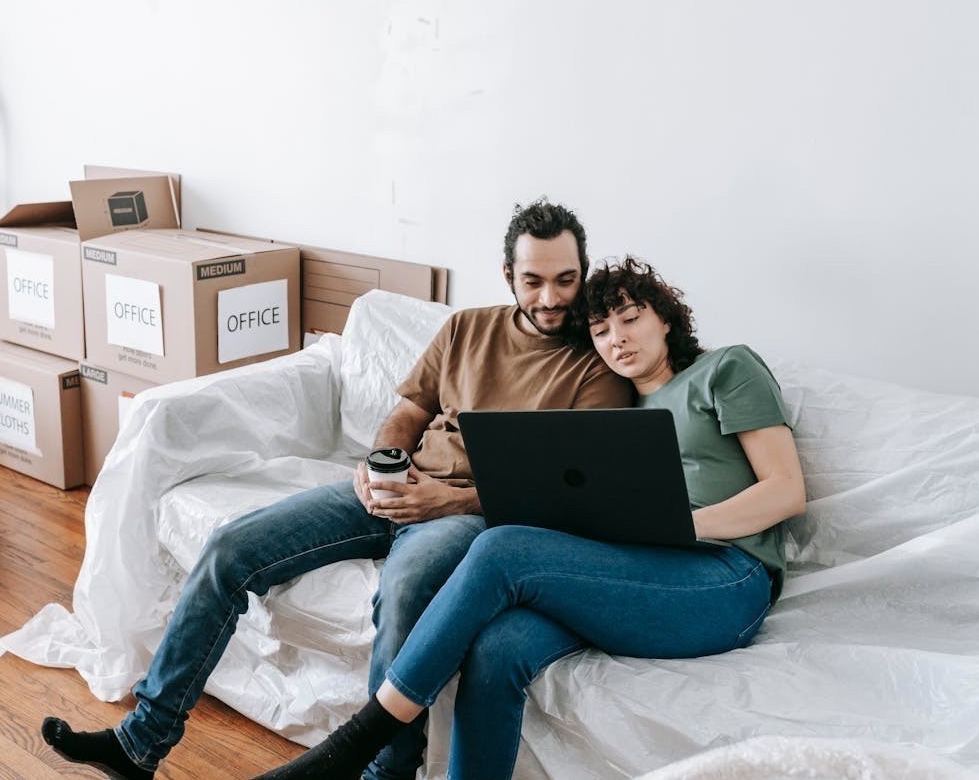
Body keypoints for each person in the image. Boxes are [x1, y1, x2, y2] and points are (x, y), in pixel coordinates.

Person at [41, 201, 632, 780]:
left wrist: (448, 501)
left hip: (471, 516)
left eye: (565, 280)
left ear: (582, 272)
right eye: (533, 281)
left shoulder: (598, 365)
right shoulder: (466, 329)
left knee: (402, 595)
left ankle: (384, 773)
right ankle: (141, 740)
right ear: (508, 275)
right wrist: (382, 462)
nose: (551, 299)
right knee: (230, 549)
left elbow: (567, 490)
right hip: (397, 487)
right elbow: (409, 409)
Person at [256, 256, 806, 780]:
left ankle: (355, 744)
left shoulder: (726, 368)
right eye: (600, 329)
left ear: (665, 318)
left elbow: (785, 492)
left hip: (726, 577)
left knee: (503, 548)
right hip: (640, 567)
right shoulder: (613, 414)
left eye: (631, 318)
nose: (617, 337)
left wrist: (682, 527)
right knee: (499, 646)